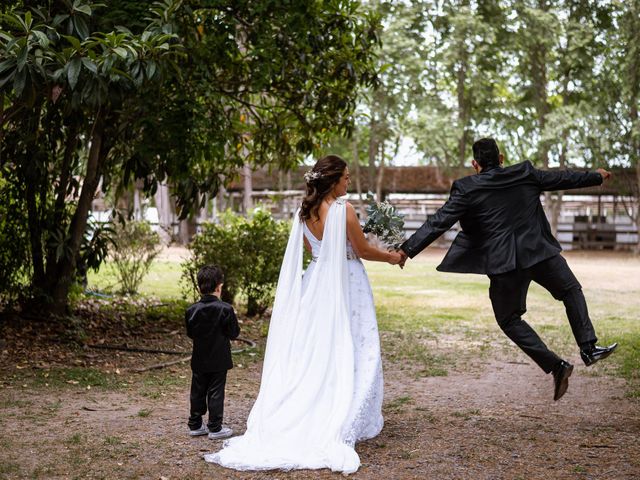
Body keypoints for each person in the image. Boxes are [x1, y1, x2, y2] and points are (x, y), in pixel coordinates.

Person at [204, 155, 403, 473]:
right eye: (346, 177)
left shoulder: (305, 212)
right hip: (347, 282)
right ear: (333, 179)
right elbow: (362, 250)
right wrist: (393, 257)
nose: (348, 182)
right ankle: (349, 409)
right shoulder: (343, 209)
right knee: (357, 344)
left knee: (315, 347)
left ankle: (312, 400)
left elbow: (315, 251)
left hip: (315, 286)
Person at [398, 137, 617, 401]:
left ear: (474, 164)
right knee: (571, 290)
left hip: (505, 265)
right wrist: (595, 176)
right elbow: (562, 179)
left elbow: (439, 222)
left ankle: (556, 365)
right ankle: (588, 348)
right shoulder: (524, 173)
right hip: (539, 253)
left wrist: (406, 250)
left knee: (509, 320)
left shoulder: (467, 187)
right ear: (501, 159)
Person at [185, 265, 240, 439]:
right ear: (219, 286)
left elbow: (191, 333)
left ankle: (195, 424)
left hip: (199, 358)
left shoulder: (191, 310)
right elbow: (234, 333)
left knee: (197, 391)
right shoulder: (226, 309)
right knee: (216, 392)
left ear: (199, 286)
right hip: (219, 358)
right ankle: (215, 427)